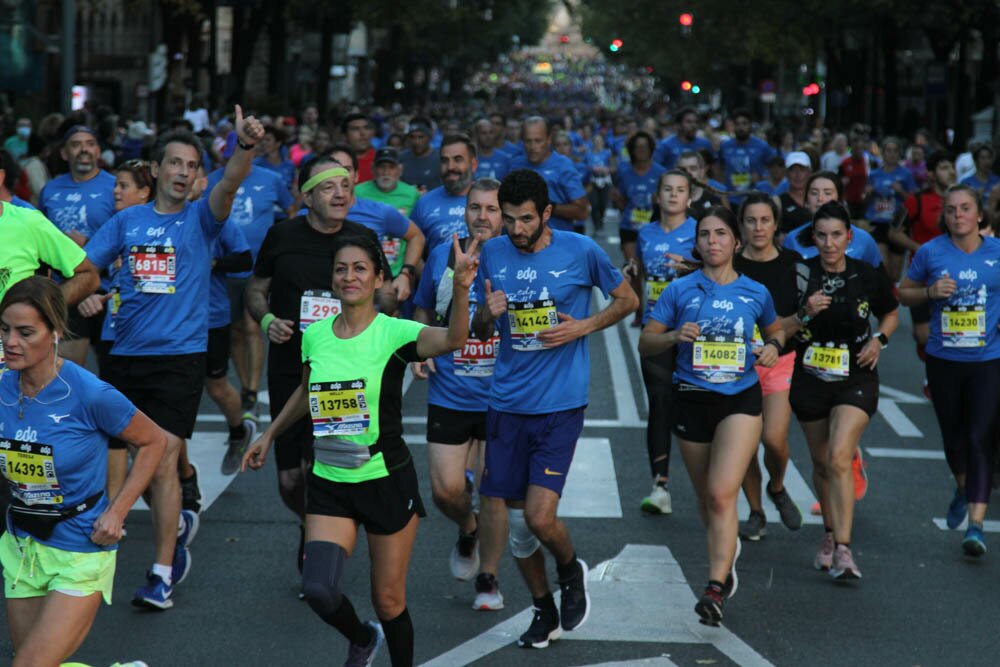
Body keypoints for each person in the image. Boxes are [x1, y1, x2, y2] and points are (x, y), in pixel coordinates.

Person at [243, 231, 481, 666]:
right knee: (318, 589)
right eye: (341, 269)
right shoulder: (315, 335)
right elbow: (304, 391)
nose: (348, 276)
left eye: (359, 269)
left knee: (388, 600)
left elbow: (454, 340)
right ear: (332, 279)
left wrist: (462, 287)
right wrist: (270, 434)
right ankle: (361, 637)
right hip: (331, 480)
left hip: (385, 481)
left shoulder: (395, 333)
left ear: (378, 280)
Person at [83, 106, 265, 609]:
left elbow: (228, 184)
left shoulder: (203, 219)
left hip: (179, 358)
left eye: (192, 165)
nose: (184, 172)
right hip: (124, 355)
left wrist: (243, 147)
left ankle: (160, 573)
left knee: (160, 459)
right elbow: (86, 268)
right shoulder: (126, 222)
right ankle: (174, 525)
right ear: (157, 169)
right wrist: (86, 293)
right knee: (129, 459)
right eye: (176, 163)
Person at [471, 169, 638, 648]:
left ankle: (570, 570)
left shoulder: (580, 251)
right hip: (506, 404)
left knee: (541, 518)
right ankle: (542, 607)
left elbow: (627, 300)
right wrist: (487, 314)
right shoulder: (493, 253)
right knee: (521, 532)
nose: (516, 230)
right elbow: (481, 331)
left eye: (526, 219)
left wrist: (581, 326)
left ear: (546, 213)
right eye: (509, 220)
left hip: (560, 405)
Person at [0, 276, 166, 666]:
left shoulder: (88, 392)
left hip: (79, 546)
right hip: (23, 543)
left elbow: (153, 441)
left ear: (55, 332)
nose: (11, 342)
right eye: (4, 329)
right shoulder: (3, 387)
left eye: (25, 333)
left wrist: (118, 510)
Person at [244, 159, 396, 572]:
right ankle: (310, 523)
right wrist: (267, 320)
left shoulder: (361, 238)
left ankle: (324, 541)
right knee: (290, 479)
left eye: (346, 186)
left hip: (343, 376)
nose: (341, 194)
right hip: (290, 368)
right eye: (329, 187)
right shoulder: (282, 235)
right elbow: (256, 291)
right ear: (307, 196)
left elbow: (383, 296)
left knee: (325, 467)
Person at [638, 205, 784, 626]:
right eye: (704, 235)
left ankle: (714, 587)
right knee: (707, 499)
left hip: (739, 398)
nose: (713, 241)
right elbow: (645, 344)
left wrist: (773, 347)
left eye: (721, 233)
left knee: (722, 494)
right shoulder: (679, 290)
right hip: (691, 399)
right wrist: (670, 336)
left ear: (735, 241)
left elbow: (775, 330)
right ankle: (726, 555)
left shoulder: (755, 292)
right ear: (696, 243)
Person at [411, 178, 507, 609]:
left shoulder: (514, 259)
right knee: (446, 491)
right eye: (475, 208)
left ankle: (489, 578)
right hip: (450, 390)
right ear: (464, 212)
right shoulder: (441, 254)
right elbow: (424, 308)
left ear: (503, 216)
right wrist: (419, 345)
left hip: (502, 394)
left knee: (494, 491)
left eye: (491, 209)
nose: (482, 217)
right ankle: (468, 529)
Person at [789, 202, 898, 580]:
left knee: (838, 457)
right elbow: (780, 326)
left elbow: (891, 311)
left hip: (856, 375)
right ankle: (830, 535)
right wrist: (805, 313)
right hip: (810, 378)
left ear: (849, 237)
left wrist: (879, 340)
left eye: (837, 235)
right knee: (821, 463)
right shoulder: (802, 275)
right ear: (813, 238)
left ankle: (844, 552)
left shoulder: (866, 274)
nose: (830, 242)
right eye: (822, 235)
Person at [898, 184, 1000, 556]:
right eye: (952, 210)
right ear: (945, 216)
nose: (959, 215)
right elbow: (904, 293)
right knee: (954, 440)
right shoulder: (930, 252)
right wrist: (929, 293)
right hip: (943, 361)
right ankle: (962, 486)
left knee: (979, 438)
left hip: (988, 361)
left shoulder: (997, 253)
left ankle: (976, 525)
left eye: (966, 208)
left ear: (979, 215)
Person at [77, 159, 154, 508]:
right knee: (116, 426)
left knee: (155, 432)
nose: (116, 191)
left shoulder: (171, 226)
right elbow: (88, 270)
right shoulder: (117, 226)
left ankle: (183, 476)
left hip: (160, 344)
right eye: (116, 185)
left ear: (145, 192)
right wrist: (93, 295)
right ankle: (115, 506)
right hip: (117, 336)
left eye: (123, 185)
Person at [623, 169, 697, 514]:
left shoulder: (699, 231)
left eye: (680, 190)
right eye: (667, 189)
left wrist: (692, 267)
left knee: (690, 405)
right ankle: (660, 485)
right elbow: (640, 269)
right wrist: (632, 276)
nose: (673, 195)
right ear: (657, 195)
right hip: (656, 329)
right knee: (659, 401)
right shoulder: (647, 232)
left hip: (693, 333)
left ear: (690, 197)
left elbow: (719, 270)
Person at [733, 192, 804, 540]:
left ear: (776, 225)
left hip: (780, 361)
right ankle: (756, 510)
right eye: (751, 220)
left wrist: (778, 336)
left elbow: (797, 320)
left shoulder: (794, 263)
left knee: (774, 439)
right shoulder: (730, 264)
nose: (758, 227)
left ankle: (777, 486)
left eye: (765, 220)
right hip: (737, 364)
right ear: (741, 225)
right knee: (744, 443)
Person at [204, 156, 294, 420]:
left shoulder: (272, 179)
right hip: (226, 269)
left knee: (254, 327)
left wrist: (281, 245)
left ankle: (253, 390)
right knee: (235, 331)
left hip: (260, 267)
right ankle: (245, 385)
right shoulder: (212, 180)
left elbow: (291, 208)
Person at [39, 125, 117, 366]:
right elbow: (40, 237)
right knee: (68, 370)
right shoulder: (50, 189)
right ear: (64, 153)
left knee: (114, 375)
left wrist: (89, 243)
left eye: (90, 143)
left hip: (107, 288)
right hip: (68, 288)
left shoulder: (115, 186)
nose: (84, 149)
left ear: (98, 151)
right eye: (76, 144)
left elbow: (128, 234)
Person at [889, 150, 957, 396]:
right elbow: (894, 232)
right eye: (943, 167)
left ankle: (939, 378)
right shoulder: (915, 201)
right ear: (930, 173)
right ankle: (929, 361)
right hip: (922, 279)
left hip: (956, 279)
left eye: (952, 167)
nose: (950, 172)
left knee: (953, 332)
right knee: (924, 335)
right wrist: (921, 249)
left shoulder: (960, 203)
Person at [613, 131, 666, 324]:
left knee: (650, 270)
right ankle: (638, 310)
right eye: (637, 147)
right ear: (632, 150)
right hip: (630, 228)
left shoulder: (660, 172)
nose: (641, 150)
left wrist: (657, 203)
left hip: (653, 229)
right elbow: (620, 198)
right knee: (633, 268)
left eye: (645, 146)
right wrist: (620, 202)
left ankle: (656, 312)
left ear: (651, 149)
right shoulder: (624, 171)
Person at [509, 117, 589, 234]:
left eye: (538, 141)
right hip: (521, 242)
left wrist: (547, 206)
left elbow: (582, 212)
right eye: (528, 141)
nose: (532, 146)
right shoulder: (516, 165)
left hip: (556, 244)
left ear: (548, 140)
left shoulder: (563, 166)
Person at [354, 147, 421, 277]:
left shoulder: (412, 194)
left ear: (400, 170)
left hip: (399, 271)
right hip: (364, 267)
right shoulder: (358, 192)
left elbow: (417, 235)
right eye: (381, 167)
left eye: (391, 167)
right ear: (373, 169)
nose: (386, 172)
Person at [865, 137, 916, 279]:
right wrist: (868, 193)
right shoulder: (874, 174)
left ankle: (892, 297)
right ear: (883, 152)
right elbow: (865, 199)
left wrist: (901, 191)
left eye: (895, 151)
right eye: (888, 151)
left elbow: (913, 201)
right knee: (884, 266)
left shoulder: (905, 174)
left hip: (897, 225)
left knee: (895, 274)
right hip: (878, 223)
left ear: (899, 153)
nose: (892, 154)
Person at [718, 109, 775, 206]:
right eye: (737, 124)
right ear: (733, 126)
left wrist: (761, 180)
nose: (741, 127)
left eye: (744, 123)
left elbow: (773, 170)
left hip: (755, 198)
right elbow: (719, 170)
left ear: (750, 125)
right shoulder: (725, 146)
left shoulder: (762, 146)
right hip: (731, 199)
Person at [677, 150, 729, 220]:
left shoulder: (714, 200)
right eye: (683, 170)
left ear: (702, 171)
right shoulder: (671, 200)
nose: (688, 173)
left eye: (693, 169)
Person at [399, 118, 441, 192]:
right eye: (412, 137)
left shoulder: (439, 158)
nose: (416, 142)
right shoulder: (401, 157)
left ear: (429, 137)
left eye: (421, 137)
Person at [777, 151, 813, 237]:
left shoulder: (819, 199)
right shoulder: (778, 202)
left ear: (809, 172)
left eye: (802, 170)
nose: (798, 175)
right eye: (793, 170)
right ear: (786, 173)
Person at [254, 125, 296, 194]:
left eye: (268, 140)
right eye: (262, 140)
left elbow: (293, 188)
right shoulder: (256, 164)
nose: (263, 143)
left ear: (278, 143)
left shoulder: (289, 165)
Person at [586, 133, 613, 232]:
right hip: (593, 181)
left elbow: (613, 167)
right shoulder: (589, 154)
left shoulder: (607, 153)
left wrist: (607, 169)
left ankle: (601, 220)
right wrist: (592, 168)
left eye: (599, 141)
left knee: (603, 204)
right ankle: (596, 225)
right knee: (594, 204)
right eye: (596, 141)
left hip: (605, 181)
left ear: (603, 142)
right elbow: (585, 166)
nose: (598, 143)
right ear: (593, 143)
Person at [959, 144, 1000, 210]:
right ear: (976, 160)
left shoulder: (997, 180)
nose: (987, 161)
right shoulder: (966, 182)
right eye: (983, 158)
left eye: (989, 157)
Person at [342, 113, 376, 184]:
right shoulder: (337, 163)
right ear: (345, 136)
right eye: (355, 129)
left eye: (366, 128)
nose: (362, 133)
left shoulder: (381, 160)